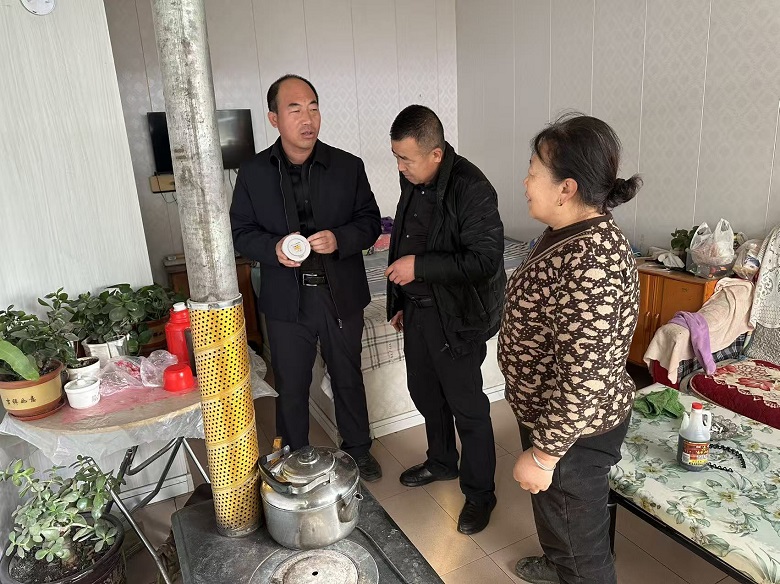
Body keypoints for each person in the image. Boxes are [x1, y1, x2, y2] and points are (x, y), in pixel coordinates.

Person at [498, 113, 641, 584]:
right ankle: (558, 560)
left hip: (575, 435)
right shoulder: (565, 233)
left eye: (533, 173)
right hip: (552, 419)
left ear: (566, 188)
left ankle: (571, 567)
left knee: (584, 552)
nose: (525, 183)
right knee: (557, 515)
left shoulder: (592, 261)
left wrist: (544, 455)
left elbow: (585, 377)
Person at [230, 74, 382, 482]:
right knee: (291, 385)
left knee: (347, 374)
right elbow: (240, 231)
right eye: (295, 109)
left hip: (339, 294)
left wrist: (340, 239)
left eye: (313, 107)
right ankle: (294, 456)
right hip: (286, 298)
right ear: (274, 118)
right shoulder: (254, 172)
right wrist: (273, 248)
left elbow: (370, 222)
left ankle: (359, 449)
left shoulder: (348, 166)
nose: (307, 118)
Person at [385, 105, 505, 534]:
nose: (400, 168)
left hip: (456, 316)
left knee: (467, 409)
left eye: (406, 159)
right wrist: (400, 299)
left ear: (435, 154)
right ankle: (441, 462)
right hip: (417, 311)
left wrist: (418, 268)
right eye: (396, 157)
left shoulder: (472, 187)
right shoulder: (413, 180)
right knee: (425, 394)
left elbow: (484, 260)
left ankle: (480, 493)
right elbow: (406, 238)